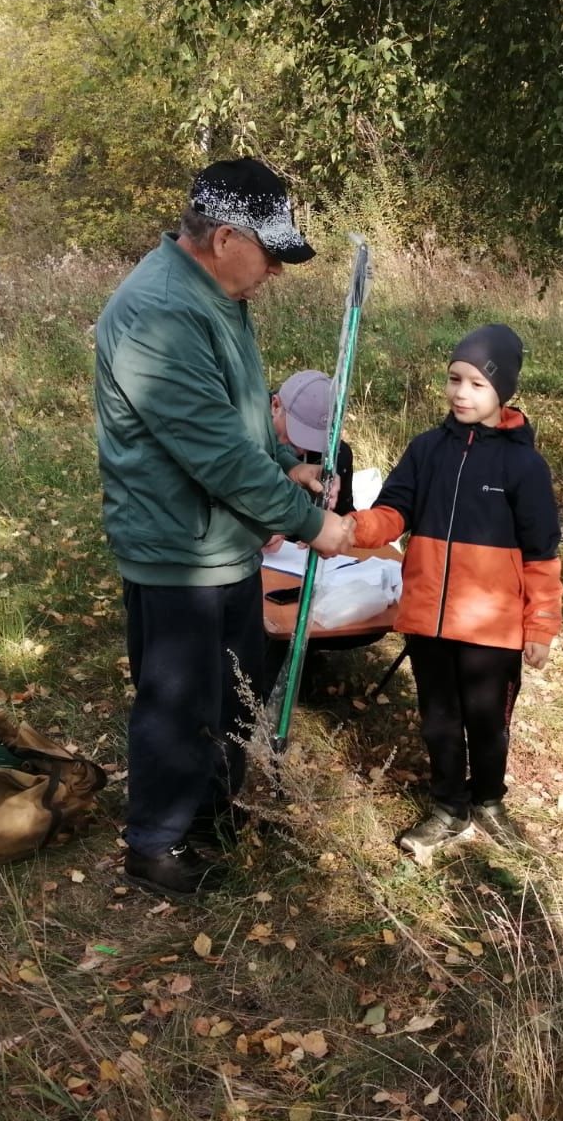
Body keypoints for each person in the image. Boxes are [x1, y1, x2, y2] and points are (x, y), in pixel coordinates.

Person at [94, 157, 355, 899]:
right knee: (178, 702)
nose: (274, 269)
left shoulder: (215, 295)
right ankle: (156, 843)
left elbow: (235, 415)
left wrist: (286, 463)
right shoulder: (161, 314)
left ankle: (213, 811)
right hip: (179, 549)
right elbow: (209, 452)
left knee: (233, 693)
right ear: (225, 237)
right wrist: (312, 525)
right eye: (269, 253)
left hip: (225, 542)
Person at [348, 324, 562, 861]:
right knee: (439, 720)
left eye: (476, 383)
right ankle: (449, 807)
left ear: (502, 391)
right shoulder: (427, 450)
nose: (460, 393)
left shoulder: (524, 467)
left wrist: (540, 626)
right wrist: (355, 529)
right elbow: (394, 510)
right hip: (427, 619)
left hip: (491, 627)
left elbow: (541, 555)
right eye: (454, 379)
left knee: (487, 720)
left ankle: (489, 799)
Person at [272, 369, 355, 515]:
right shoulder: (243, 433)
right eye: (297, 433)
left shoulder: (337, 458)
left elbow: (344, 513)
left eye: (313, 439)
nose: (302, 449)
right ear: (275, 406)